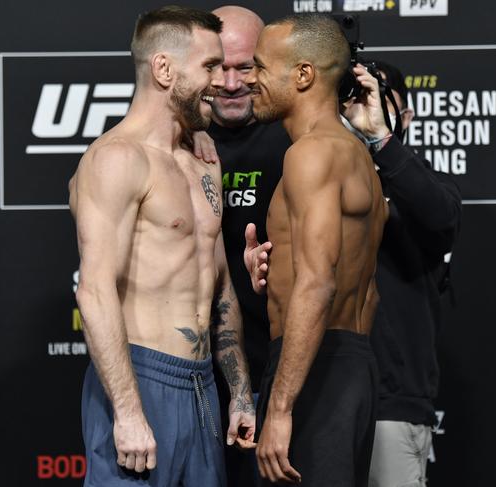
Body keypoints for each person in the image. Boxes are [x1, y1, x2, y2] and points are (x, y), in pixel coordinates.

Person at [68, 6, 255, 486]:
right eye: (209, 66)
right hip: (141, 378)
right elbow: (93, 289)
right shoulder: (116, 159)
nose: (221, 81)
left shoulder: (202, 161)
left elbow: (218, 281)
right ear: (164, 69)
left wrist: (237, 391)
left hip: (202, 387)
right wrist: (128, 411)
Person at [244, 14, 388, 486]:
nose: (250, 80)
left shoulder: (310, 154)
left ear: (303, 75)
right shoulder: (356, 154)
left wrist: (281, 408)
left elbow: (319, 282)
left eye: (260, 68)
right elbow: (359, 283)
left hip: (315, 370)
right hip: (349, 364)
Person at [343, 61, 462, 487]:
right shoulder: (312, 177)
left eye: (376, 97)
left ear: (406, 117)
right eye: (352, 97)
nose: (362, 108)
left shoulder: (429, 185)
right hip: (319, 395)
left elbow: (440, 219)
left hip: (392, 401)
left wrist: (380, 138)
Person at [204, 6, 291, 486]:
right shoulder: (174, 143)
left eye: (245, 67)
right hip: (192, 382)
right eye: (219, 67)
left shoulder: (297, 140)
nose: (232, 83)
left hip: (277, 380)